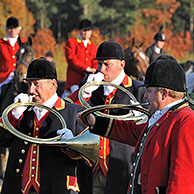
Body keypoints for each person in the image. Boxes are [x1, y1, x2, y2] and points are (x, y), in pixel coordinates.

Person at [78, 55, 194, 194]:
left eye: (149, 91)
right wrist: (95, 121)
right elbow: (133, 132)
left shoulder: (185, 121)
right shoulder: (162, 117)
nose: (145, 96)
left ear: (164, 94)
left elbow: (181, 182)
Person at [67, 40, 147, 194]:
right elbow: (66, 107)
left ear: (122, 64)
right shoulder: (91, 89)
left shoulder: (138, 90)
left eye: (107, 65)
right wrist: (84, 91)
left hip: (123, 169)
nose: (101, 70)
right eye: (99, 64)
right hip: (91, 171)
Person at [0, 58, 86, 194]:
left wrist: (72, 144)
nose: (31, 90)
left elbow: (85, 158)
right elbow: (2, 140)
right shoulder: (22, 111)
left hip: (56, 188)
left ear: (53, 85)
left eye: (36, 84)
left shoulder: (74, 112)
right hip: (18, 188)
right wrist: (14, 115)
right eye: (29, 84)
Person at [63, 18, 97, 97]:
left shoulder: (93, 46)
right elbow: (72, 60)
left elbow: (95, 61)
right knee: (78, 96)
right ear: (80, 31)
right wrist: (87, 69)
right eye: (84, 30)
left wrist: (95, 70)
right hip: (74, 81)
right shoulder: (71, 42)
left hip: (89, 82)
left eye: (88, 31)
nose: (86, 33)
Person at [0, 16, 26, 94]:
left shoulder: (23, 43)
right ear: (6, 29)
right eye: (10, 28)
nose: (12, 31)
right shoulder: (1, 44)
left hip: (21, 75)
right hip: (4, 77)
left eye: (14, 28)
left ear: (18, 29)